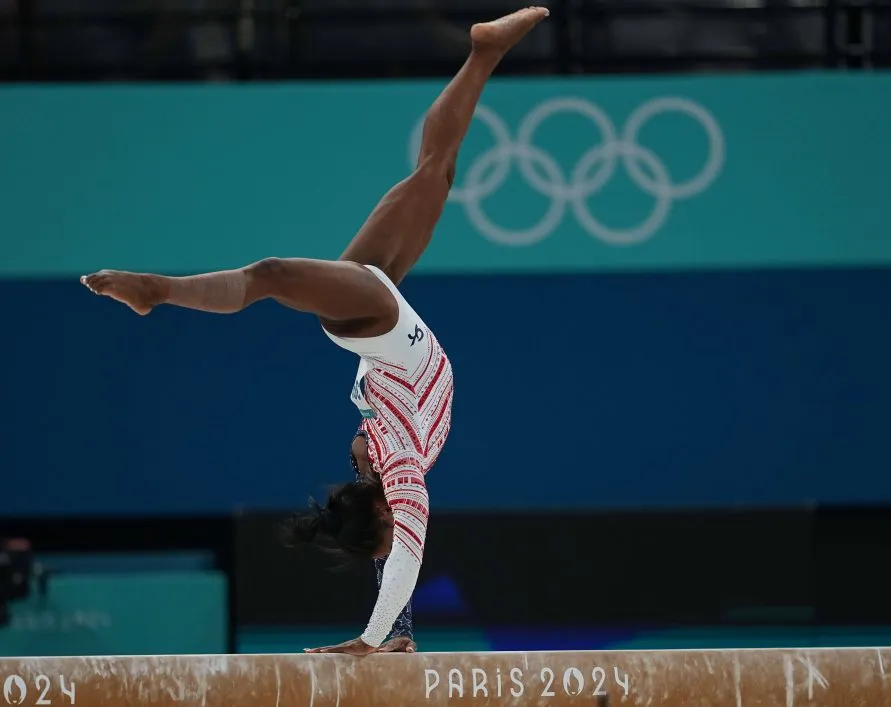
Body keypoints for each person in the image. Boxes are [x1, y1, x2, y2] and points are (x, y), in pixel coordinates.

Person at [80, 6, 550, 656]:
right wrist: (382, 634)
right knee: (433, 173)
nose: (395, 531)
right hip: (387, 334)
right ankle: (483, 53)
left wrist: (376, 635)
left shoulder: (392, 475)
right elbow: (401, 549)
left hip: (380, 331)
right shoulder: (397, 475)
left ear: (377, 507)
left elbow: (399, 546)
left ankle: (156, 290)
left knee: (277, 270)